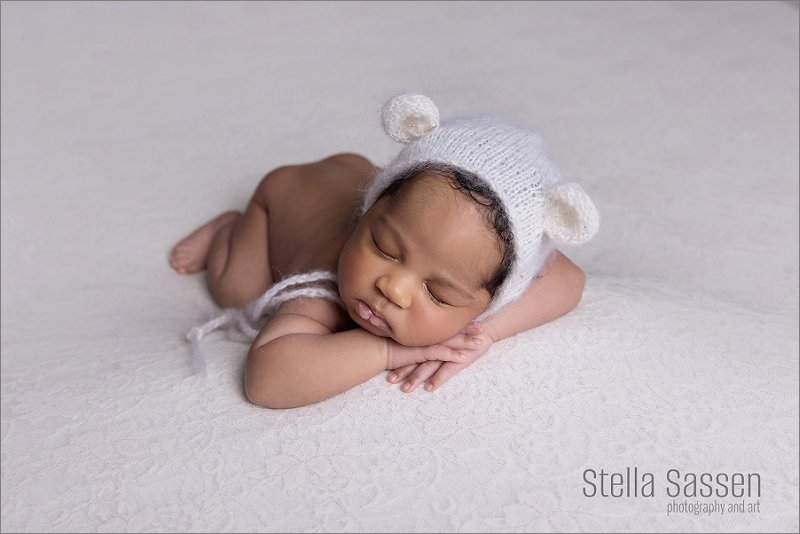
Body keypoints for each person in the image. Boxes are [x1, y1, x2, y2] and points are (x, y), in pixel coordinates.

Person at [170, 93, 600, 409]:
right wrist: (389, 351)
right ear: (368, 210)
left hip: (352, 173)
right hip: (282, 197)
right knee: (236, 289)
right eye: (384, 247)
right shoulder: (323, 288)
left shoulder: (464, 250)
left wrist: (484, 332)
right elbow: (267, 380)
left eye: (439, 294)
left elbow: (569, 280)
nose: (392, 288)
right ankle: (229, 227)